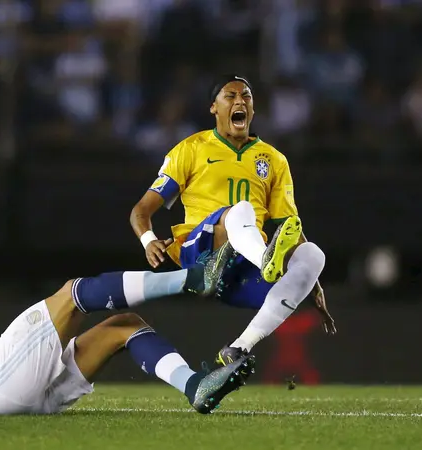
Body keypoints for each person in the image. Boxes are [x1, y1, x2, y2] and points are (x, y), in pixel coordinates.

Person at [129, 74, 336, 372]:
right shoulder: (191, 148)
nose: (240, 101)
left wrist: (311, 281)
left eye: (247, 97)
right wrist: (149, 242)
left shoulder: (274, 160)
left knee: (314, 254)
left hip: (239, 273)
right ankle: (266, 259)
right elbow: (140, 211)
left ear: (253, 109)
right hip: (201, 254)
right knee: (240, 211)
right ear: (214, 107)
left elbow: (290, 228)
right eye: (231, 96)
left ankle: (239, 347)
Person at [0, 261, 253, 418]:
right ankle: (193, 279)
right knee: (70, 295)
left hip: (19, 399)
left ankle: (194, 386)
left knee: (125, 325)